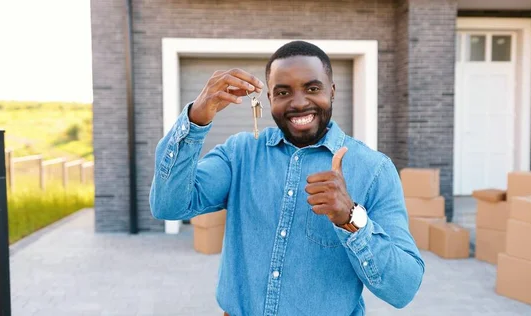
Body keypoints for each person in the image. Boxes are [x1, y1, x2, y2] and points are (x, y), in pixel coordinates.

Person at [150, 40, 424, 316]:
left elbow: (404, 288)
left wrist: (350, 218)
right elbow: (168, 205)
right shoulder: (240, 153)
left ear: (332, 92)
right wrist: (196, 119)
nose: (299, 102)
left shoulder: (374, 169)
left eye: (312, 88)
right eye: (283, 92)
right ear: (269, 99)